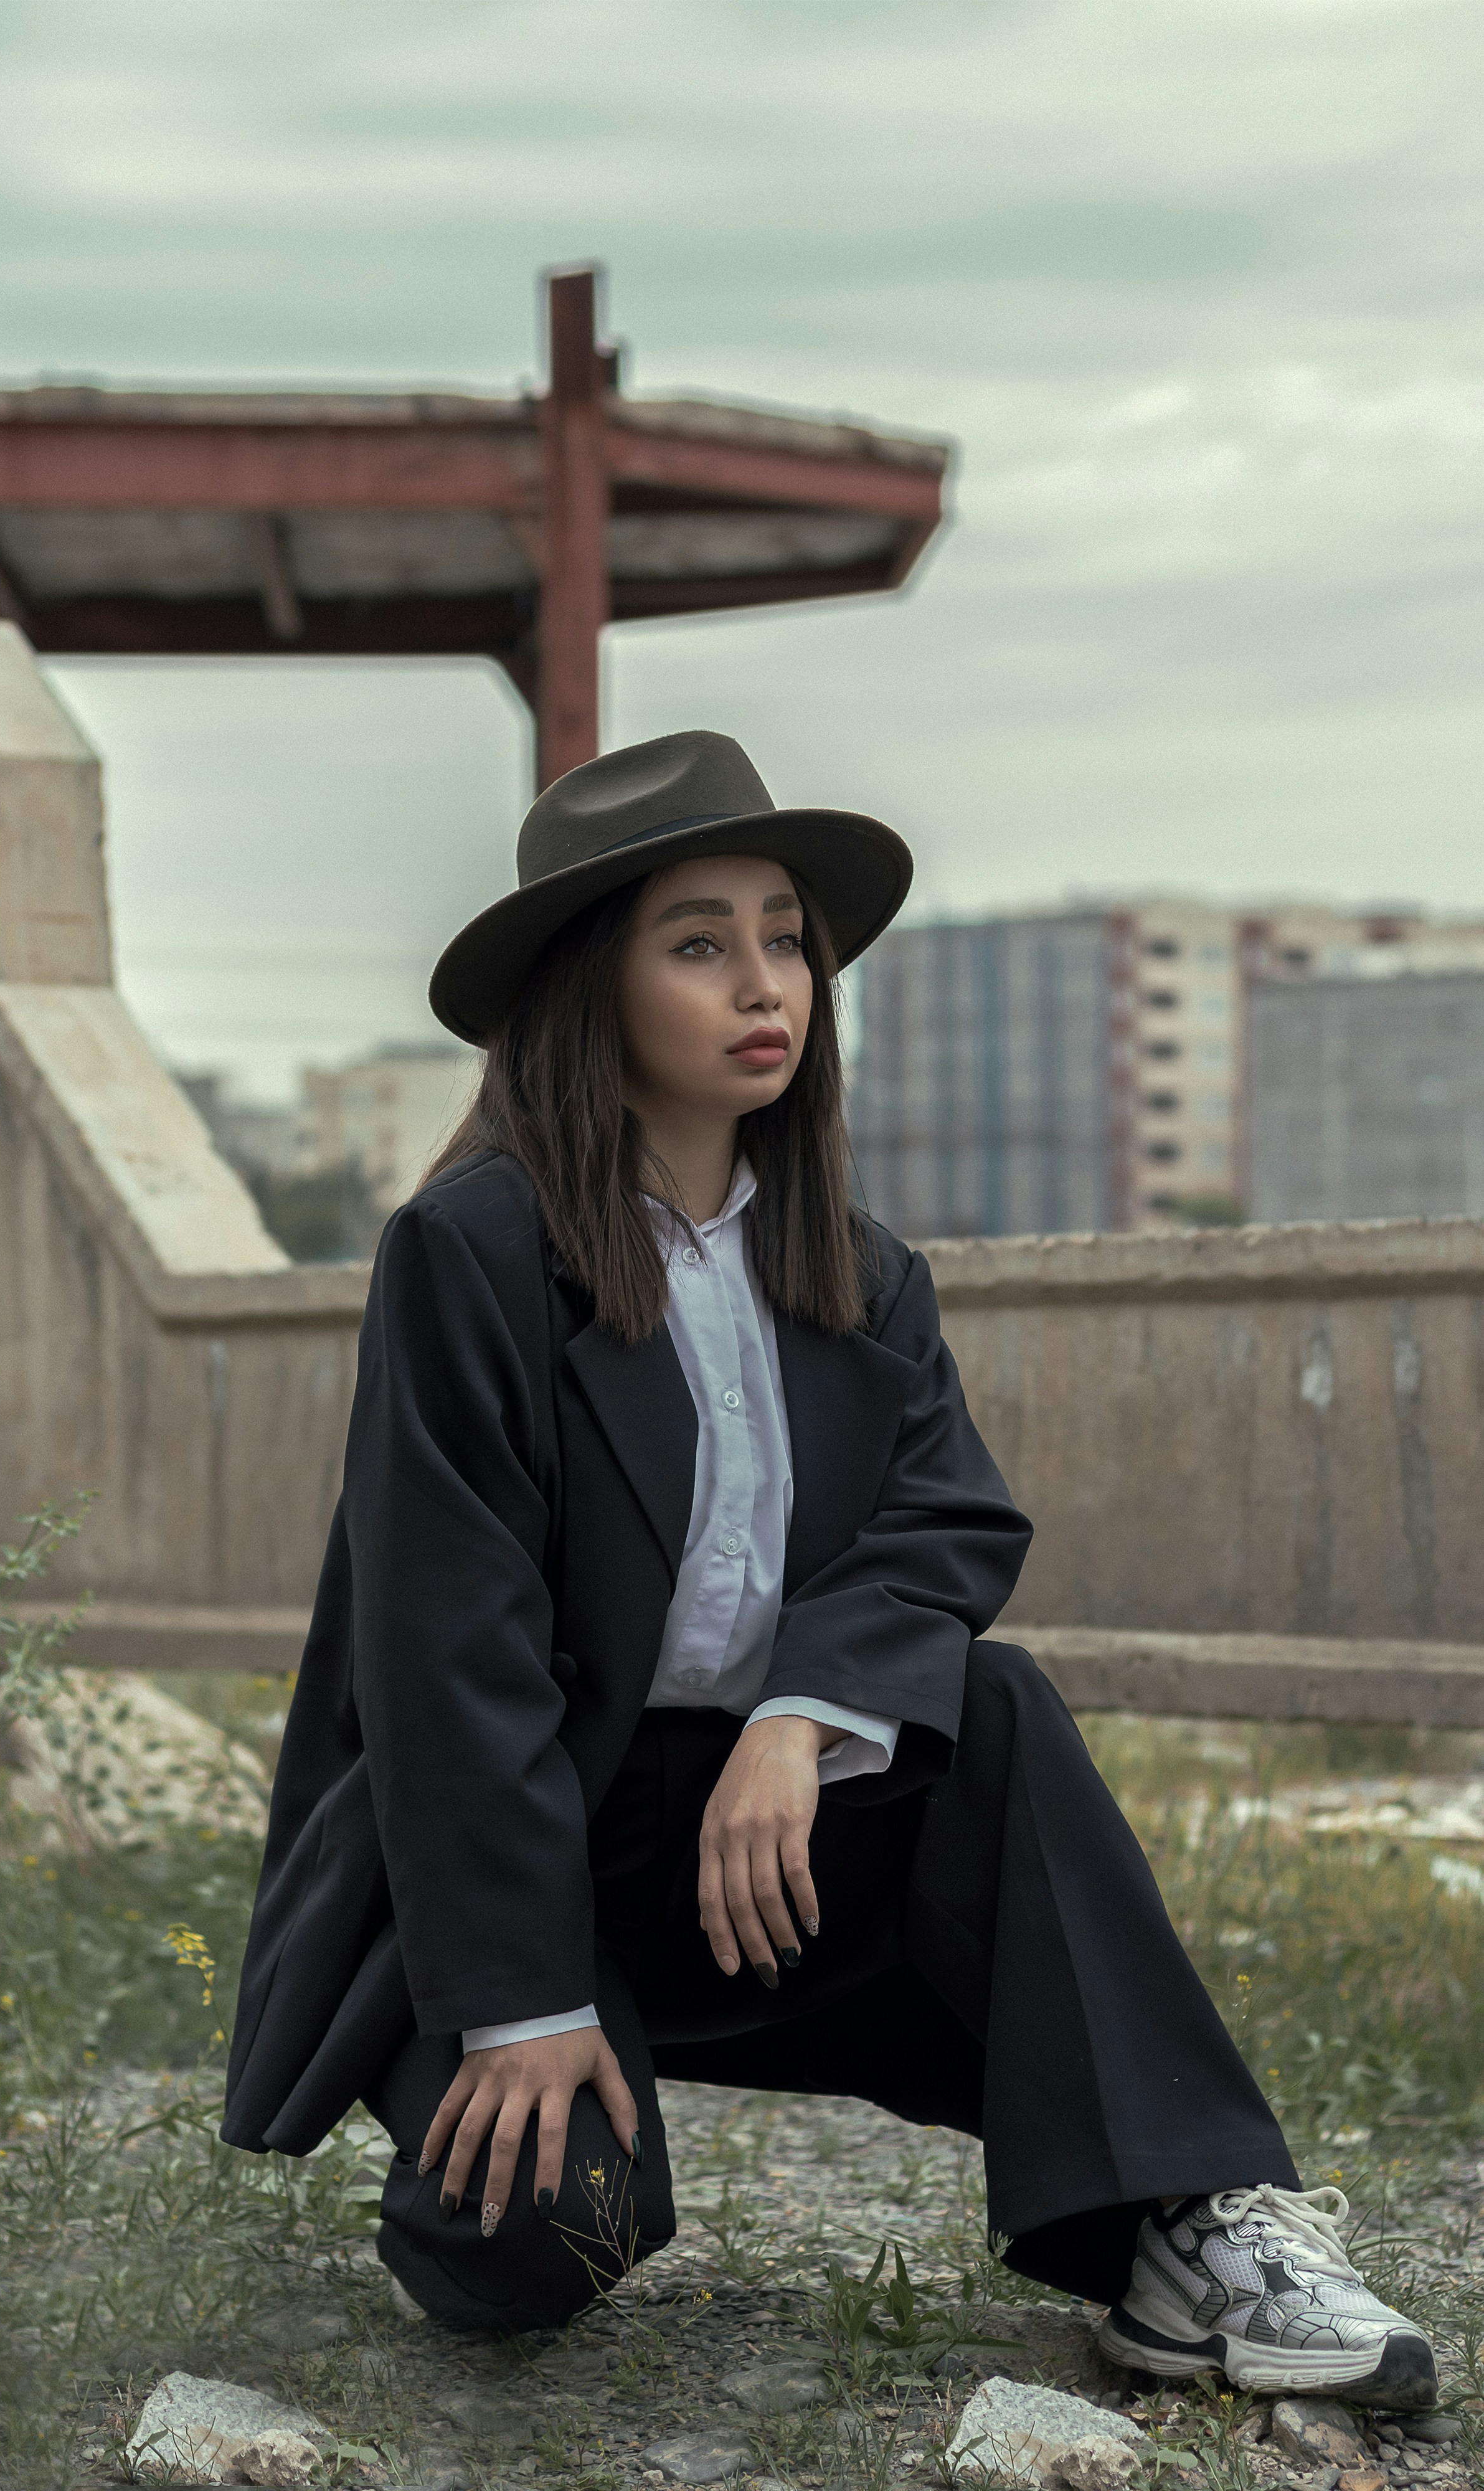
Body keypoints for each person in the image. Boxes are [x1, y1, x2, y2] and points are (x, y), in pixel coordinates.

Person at [221, 731, 1435, 2410]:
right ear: (597, 984)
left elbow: (945, 1522)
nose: (764, 981)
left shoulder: (857, 1270)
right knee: (534, 2249)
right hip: (526, 1845)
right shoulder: (472, 1254)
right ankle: (491, 2086)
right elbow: (446, 1652)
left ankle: (1190, 2229)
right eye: (699, 942)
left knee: (989, 1709)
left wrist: (799, 1713)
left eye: (785, 936)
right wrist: (516, 2003)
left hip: (761, 1852)